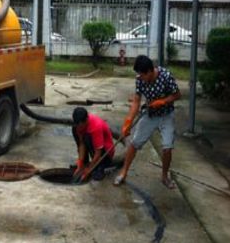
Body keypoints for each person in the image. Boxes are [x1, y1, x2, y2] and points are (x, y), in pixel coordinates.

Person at [114, 55, 181, 189]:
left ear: (150, 71)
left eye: (143, 75)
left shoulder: (165, 76)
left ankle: (164, 176)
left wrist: (162, 101)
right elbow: (137, 101)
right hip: (150, 114)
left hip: (166, 114)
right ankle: (124, 172)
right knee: (134, 143)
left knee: (167, 147)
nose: (141, 78)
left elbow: (177, 95)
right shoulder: (139, 80)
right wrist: (128, 122)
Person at [72, 107, 115, 181]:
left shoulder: (95, 127)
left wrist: (89, 170)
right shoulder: (78, 125)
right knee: (74, 130)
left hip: (105, 153)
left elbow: (98, 152)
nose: (79, 128)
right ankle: (84, 164)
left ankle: (101, 167)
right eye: (78, 125)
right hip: (93, 147)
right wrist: (80, 163)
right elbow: (82, 144)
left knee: (88, 136)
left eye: (81, 126)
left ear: (86, 121)